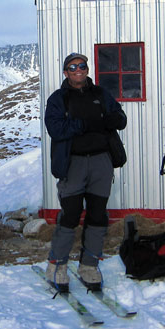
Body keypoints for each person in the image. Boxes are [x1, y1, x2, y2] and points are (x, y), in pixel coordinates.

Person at [43, 53, 127, 292]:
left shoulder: (101, 94)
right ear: (65, 72)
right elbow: (55, 129)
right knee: (70, 214)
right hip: (73, 163)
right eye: (72, 67)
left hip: (101, 161)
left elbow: (120, 119)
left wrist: (109, 118)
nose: (78, 70)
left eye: (82, 66)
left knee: (98, 215)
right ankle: (57, 265)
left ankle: (89, 265)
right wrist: (86, 123)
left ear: (87, 69)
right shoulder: (58, 99)